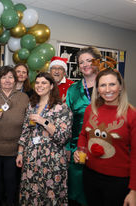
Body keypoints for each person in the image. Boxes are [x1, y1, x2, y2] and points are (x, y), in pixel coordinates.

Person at [74, 68, 136, 206]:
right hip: (90, 175)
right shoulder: (91, 109)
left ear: (120, 87)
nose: (108, 89)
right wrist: (80, 150)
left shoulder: (131, 115)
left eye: (112, 84)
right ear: (98, 89)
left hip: (118, 182)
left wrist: (134, 191)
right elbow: (84, 134)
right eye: (103, 85)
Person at [16, 72, 73, 205]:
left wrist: (44, 121)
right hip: (31, 158)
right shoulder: (31, 106)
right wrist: (20, 152)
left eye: (44, 83)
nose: (40, 86)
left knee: (50, 194)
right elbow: (25, 131)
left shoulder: (62, 109)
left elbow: (63, 137)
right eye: (37, 83)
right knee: (31, 192)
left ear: (52, 86)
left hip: (52, 160)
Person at [0, 66, 29, 206]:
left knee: (10, 178)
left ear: (15, 80)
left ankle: (10, 201)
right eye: (4, 77)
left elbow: (29, 122)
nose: (7, 80)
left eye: (10, 77)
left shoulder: (24, 97)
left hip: (14, 148)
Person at [66, 46, 102, 206]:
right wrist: (67, 147)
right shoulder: (73, 90)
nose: (85, 64)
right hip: (77, 150)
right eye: (81, 62)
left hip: (104, 149)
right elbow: (67, 121)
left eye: (89, 60)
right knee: (76, 195)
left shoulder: (108, 86)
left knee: (99, 195)